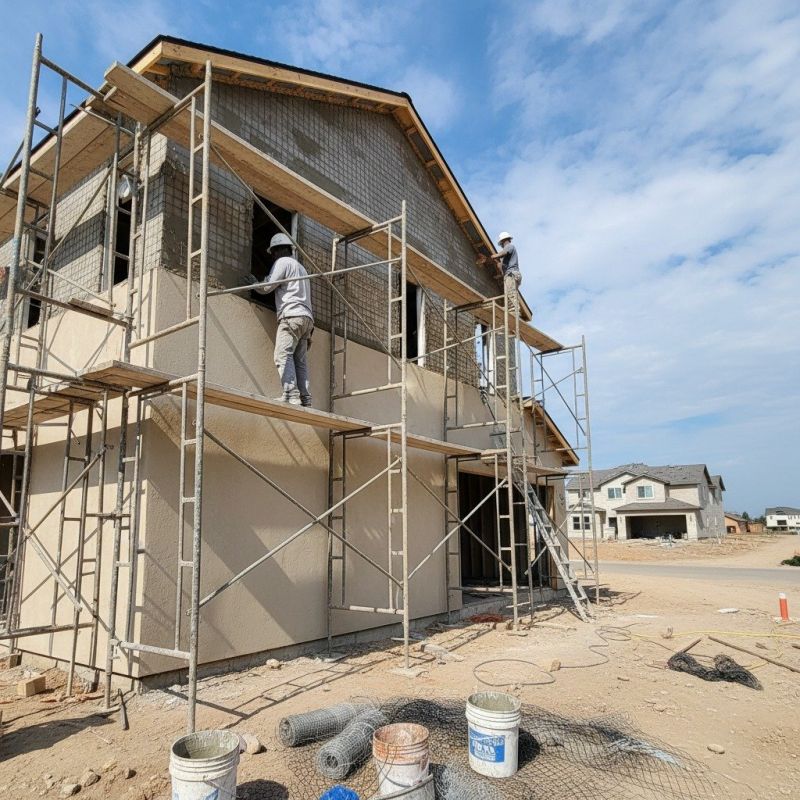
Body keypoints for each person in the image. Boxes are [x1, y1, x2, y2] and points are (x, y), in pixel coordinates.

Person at [247, 232, 314, 406]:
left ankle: (291, 394)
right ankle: (305, 399)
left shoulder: (282, 263)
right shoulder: (302, 269)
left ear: (277, 251)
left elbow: (268, 286)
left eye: (273, 253)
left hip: (291, 316)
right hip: (306, 319)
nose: (273, 256)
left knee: (282, 354)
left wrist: (254, 284)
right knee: (300, 360)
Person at [489, 231, 521, 316]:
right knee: (509, 293)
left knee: (511, 294)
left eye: (501, 244)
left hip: (511, 274)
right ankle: (512, 310)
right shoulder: (506, 257)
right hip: (511, 274)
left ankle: (514, 311)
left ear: (503, 241)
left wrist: (495, 256)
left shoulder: (509, 246)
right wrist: (496, 262)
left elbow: (503, 253)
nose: (502, 246)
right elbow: (501, 267)